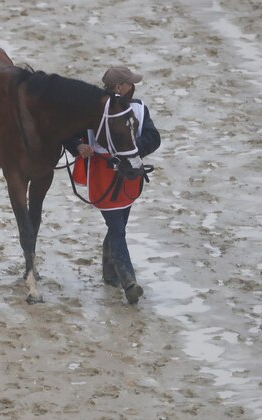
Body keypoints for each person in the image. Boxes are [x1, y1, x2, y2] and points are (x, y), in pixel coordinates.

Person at [64, 65, 161, 304]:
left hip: (130, 175)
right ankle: (129, 282)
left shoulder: (138, 108)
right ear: (119, 87)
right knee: (117, 228)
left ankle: (109, 273)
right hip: (103, 174)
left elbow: (153, 138)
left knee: (120, 225)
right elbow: (66, 131)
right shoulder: (90, 110)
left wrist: (132, 148)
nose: (134, 86)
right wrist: (77, 145)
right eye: (130, 83)